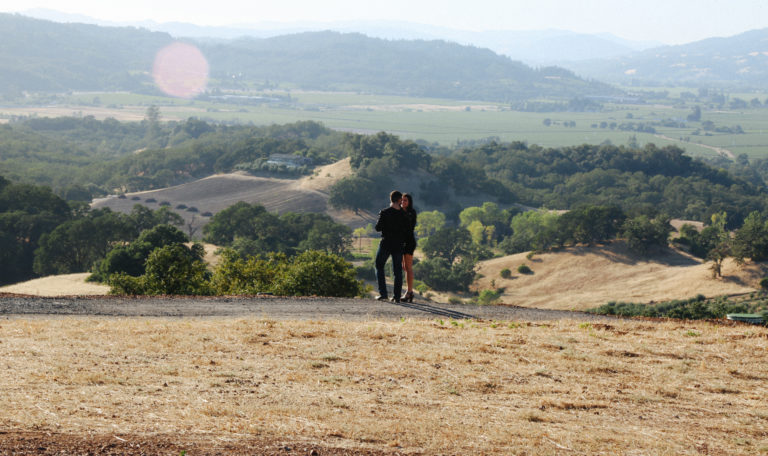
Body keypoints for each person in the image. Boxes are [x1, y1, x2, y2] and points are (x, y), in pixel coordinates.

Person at [374, 190, 408, 302]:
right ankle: (397, 296)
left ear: (391, 199)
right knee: (397, 271)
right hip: (398, 245)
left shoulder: (384, 212)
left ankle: (383, 293)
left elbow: (377, 228)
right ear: (399, 200)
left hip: (386, 243)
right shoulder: (404, 214)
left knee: (379, 266)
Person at [400, 193, 417, 302]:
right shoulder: (400, 211)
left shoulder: (411, 213)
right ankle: (408, 291)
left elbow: (408, 227)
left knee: (408, 267)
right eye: (401, 200)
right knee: (405, 267)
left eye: (405, 200)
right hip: (401, 242)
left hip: (409, 242)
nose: (403, 202)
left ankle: (409, 292)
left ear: (409, 202)